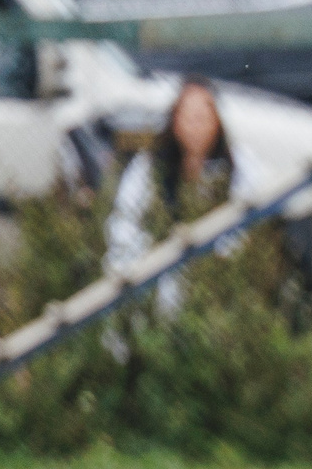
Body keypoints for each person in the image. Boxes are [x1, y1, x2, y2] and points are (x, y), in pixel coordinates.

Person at [106, 79, 247, 315]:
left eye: (203, 117)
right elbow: (125, 220)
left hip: (214, 283)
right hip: (155, 275)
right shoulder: (149, 168)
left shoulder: (238, 168)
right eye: (189, 116)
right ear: (175, 120)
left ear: (217, 122)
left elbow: (247, 222)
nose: (196, 125)